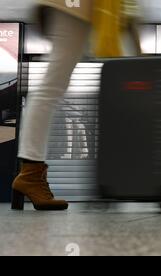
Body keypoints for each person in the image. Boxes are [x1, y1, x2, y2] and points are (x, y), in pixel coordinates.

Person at [11, 0, 141, 211]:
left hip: (77, 8)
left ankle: (32, 173)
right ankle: (30, 174)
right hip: (74, 7)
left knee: (55, 85)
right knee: (53, 85)